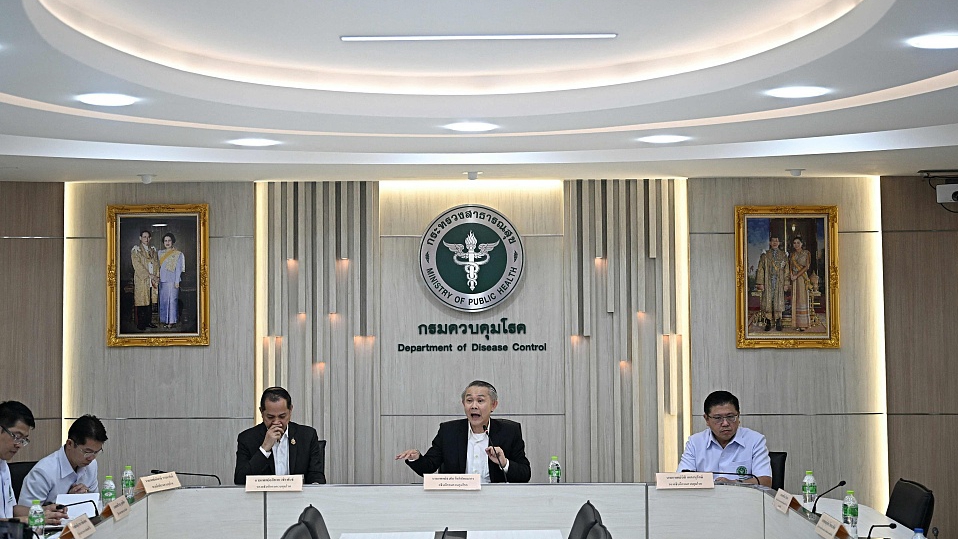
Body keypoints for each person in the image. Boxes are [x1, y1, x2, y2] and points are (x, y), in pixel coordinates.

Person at [396, 380, 531, 483]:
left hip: (496, 503)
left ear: (493, 405)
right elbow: (428, 467)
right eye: (469, 400)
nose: (474, 406)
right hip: (456, 501)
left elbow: (525, 475)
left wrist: (504, 463)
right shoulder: (449, 432)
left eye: (480, 400)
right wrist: (416, 459)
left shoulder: (510, 431)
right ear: (463, 404)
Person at [678, 390, 772, 487]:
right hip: (705, 500)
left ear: (738, 416)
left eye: (730, 417)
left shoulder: (755, 440)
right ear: (707, 419)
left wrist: (734, 483)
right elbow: (682, 479)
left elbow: (765, 481)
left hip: (741, 500)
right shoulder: (695, 442)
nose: (725, 423)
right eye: (718, 418)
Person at [234, 387, 326, 485]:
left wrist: (316, 486)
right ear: (261, 412)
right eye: (270, 417)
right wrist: (264, 449)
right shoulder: (247, 438)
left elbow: (316, 475)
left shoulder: (307, 436)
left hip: (298, 498)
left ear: (290, 410)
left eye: (282, 416)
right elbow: (240, 480)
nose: (277, 422)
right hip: (263, 499)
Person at [18, 415, 107, 507]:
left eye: (96, 452)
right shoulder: (43, 472)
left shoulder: (91, 465)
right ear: (70, 444)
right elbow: (27, 513)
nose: (91, 458)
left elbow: (95, 504)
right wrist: (67, 502)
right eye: (87, 452)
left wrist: (85, 497)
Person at [0, 401, 67, 524]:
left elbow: (11, 509)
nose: (19, 445)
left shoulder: (3, 465)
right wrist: (31, 520)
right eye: (16, 436)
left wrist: (43, 511)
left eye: (23, 440)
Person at [754, 235, 788, 332]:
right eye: (773, 241)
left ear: (779, 243)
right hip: (768, 281)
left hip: (779, 282)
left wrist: (786, 283)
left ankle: (778, 321)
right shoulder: (765, 255)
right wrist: (760, 282)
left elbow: (786, 270)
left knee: (778, 301)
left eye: (776, 241)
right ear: (770, 243)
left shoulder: (783, 255)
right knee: (768, 301)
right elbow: (761, 269)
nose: (775, 243)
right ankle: (768, 322)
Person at [131, 230, 159, 330]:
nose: (146, 239)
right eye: (144, 237)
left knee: (150, 302)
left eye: (148, 237)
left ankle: (148, 321)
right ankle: (141, 323)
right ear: (140, 238)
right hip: (142, 280)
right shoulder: (136, 250)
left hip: (151, 281)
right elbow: (137, 265)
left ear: (150, 238)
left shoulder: (153, 250)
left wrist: (156, 276)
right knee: (142, 301)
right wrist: (149, 275)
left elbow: (156, 263)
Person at [157, 232, 186, 328]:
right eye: (165, 241)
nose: (167, 242)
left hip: (173, 281)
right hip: (162, 280)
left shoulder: (178, 254)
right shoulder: (160, 253)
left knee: (172, 301)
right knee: (164, 301)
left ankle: (171, 321)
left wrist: (177, 281)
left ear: (172, 241)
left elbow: (178, 269)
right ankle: (165, 320)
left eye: (169, 240)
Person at [789, 236, 812, 331]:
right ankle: (797, 323)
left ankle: (804, 324)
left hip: (802, 278)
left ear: (802, 244)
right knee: (796, 299)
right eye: (794, 243)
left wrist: (796, 276)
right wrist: (791, 275)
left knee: (802, 298)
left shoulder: (806, 253)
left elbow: (806, 267)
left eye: (798, 242)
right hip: (794, 278)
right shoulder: (792, 255)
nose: (796, 245)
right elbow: (790, 266)